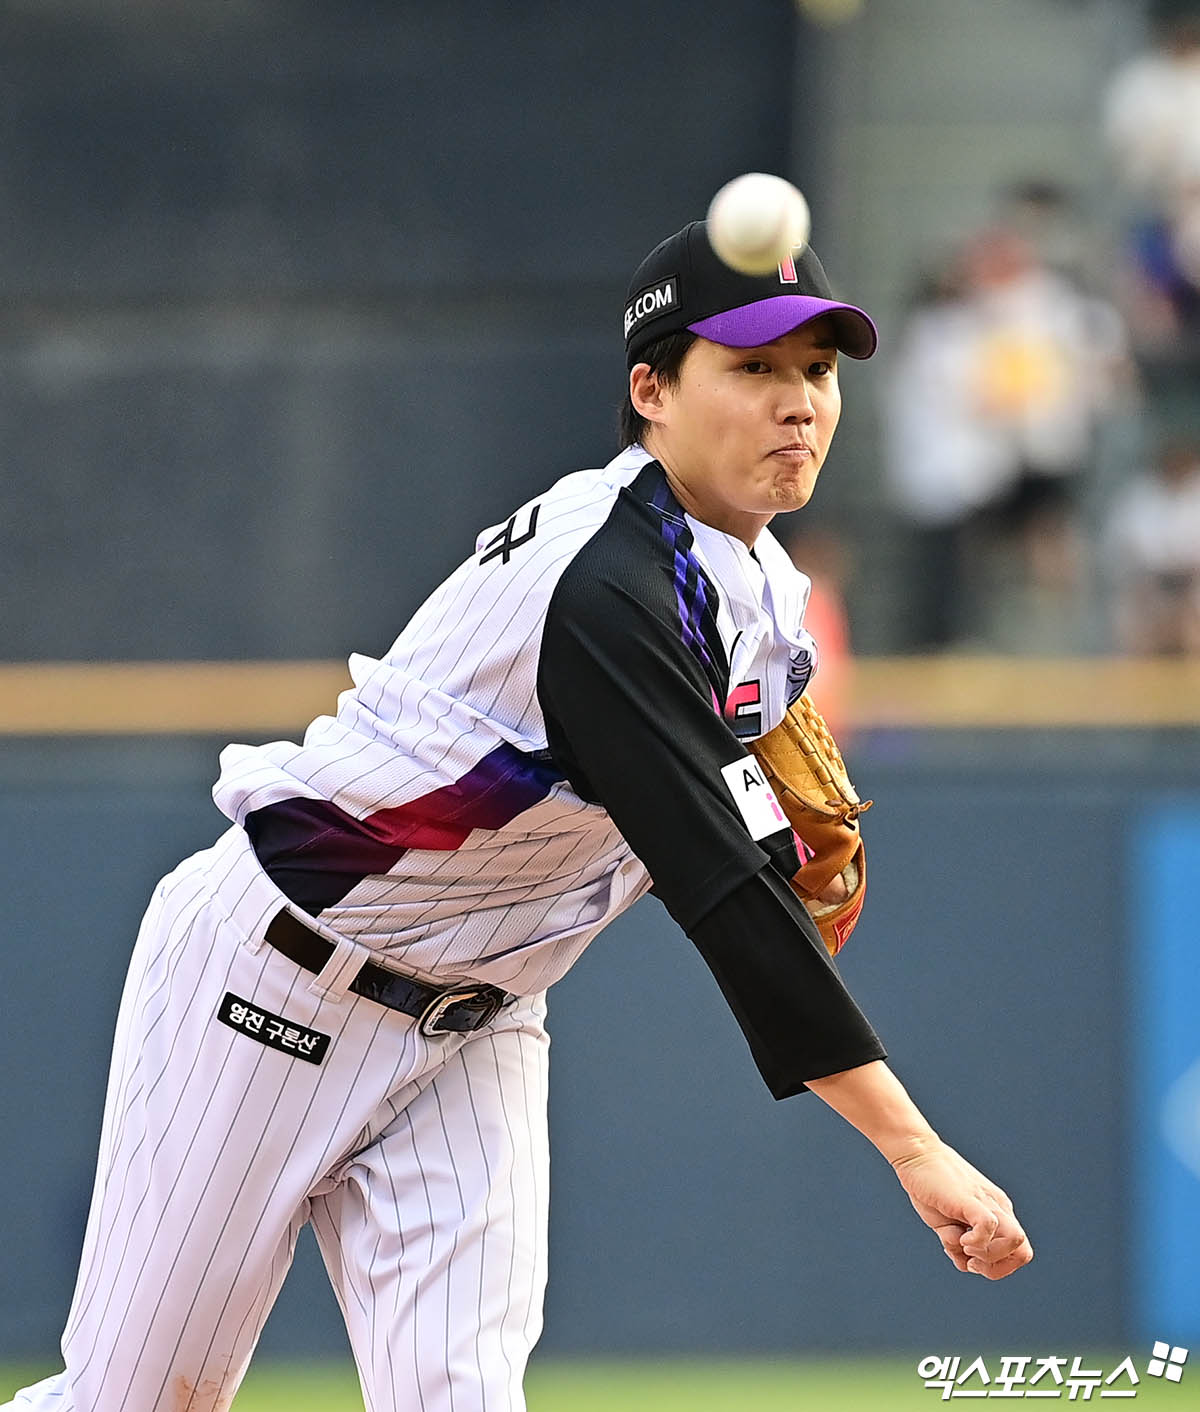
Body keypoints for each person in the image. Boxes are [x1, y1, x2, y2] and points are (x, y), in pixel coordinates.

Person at [4, 219, 1032, 1412]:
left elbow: (737, 818)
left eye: (817, 368)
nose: (798, 401)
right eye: (753, 366)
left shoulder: (757, 586)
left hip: (478, 1021)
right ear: (652, 391)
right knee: (135, 1402)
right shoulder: (606, 587)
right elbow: (724, 887)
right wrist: (912, 1143)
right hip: (275, 984)